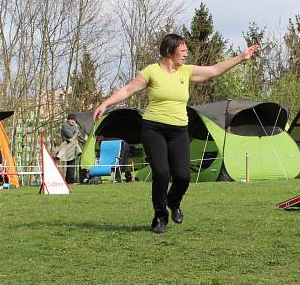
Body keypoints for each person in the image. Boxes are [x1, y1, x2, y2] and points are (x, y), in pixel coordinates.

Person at [93, 33, 260, 233]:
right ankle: (160, 217)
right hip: (153, 128)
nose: (186, 54)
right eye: (182, 50)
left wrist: (241, 57)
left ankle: (174, 202)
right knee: (161, 173)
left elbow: (215, 70)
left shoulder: (186, 71)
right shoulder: (152, 71)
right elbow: (128, 90)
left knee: (183, 176)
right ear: (170, 51)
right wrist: (105, 104)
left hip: (179, 129)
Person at [57, 113, 84, 183]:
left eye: (74, 120)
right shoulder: (65, 126)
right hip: (67, 147)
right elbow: (70, 136)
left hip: (74, 147)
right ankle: (71, 179)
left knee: (72, 163)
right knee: (70, 163)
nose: (73, 121)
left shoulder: (74, 126)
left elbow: (79, 136)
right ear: (68, 120)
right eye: (71, 119)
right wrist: (76, 133)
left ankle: (68, 180)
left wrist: (84, 141)